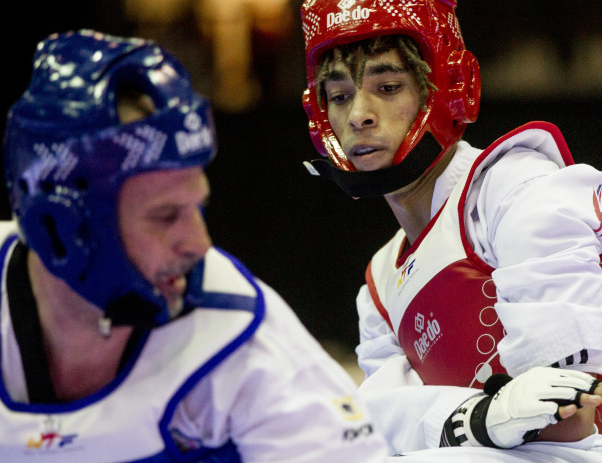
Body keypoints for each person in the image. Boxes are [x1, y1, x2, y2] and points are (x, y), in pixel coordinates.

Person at [299, 0, 602, 461]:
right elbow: (377, 431)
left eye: (388, 88)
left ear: (448, 88)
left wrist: (456, 422)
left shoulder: (514, 188)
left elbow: (567, 420)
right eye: (339, 96)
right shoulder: (381, 288)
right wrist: (476, 417)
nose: (358, 115)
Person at [0, 29, 393, 462]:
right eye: (165, 217)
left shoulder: (241, 337)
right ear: (58, 229)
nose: (199, 244)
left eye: (198, 206)